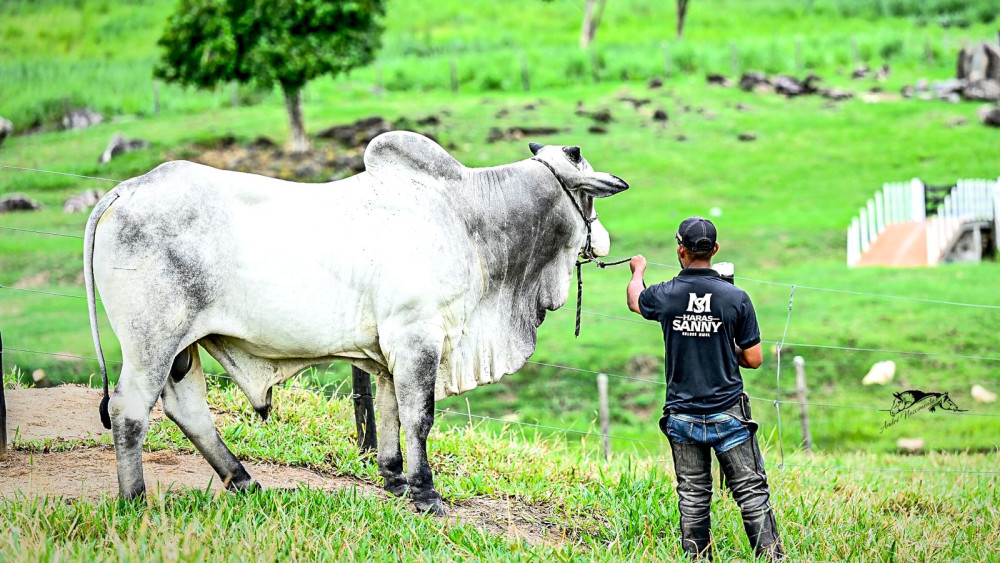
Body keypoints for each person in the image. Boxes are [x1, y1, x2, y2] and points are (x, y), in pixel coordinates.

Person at [625, 217, 783, 561]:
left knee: (694, 496)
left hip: (682, 415)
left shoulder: (665, 295)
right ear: (715, 250)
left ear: (680, 249)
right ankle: (771, 557)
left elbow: (636, 301)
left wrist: (638, 270)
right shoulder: (735, 297)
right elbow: (754, 359)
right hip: (729, 413)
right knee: (752, 493)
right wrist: (725, 345)